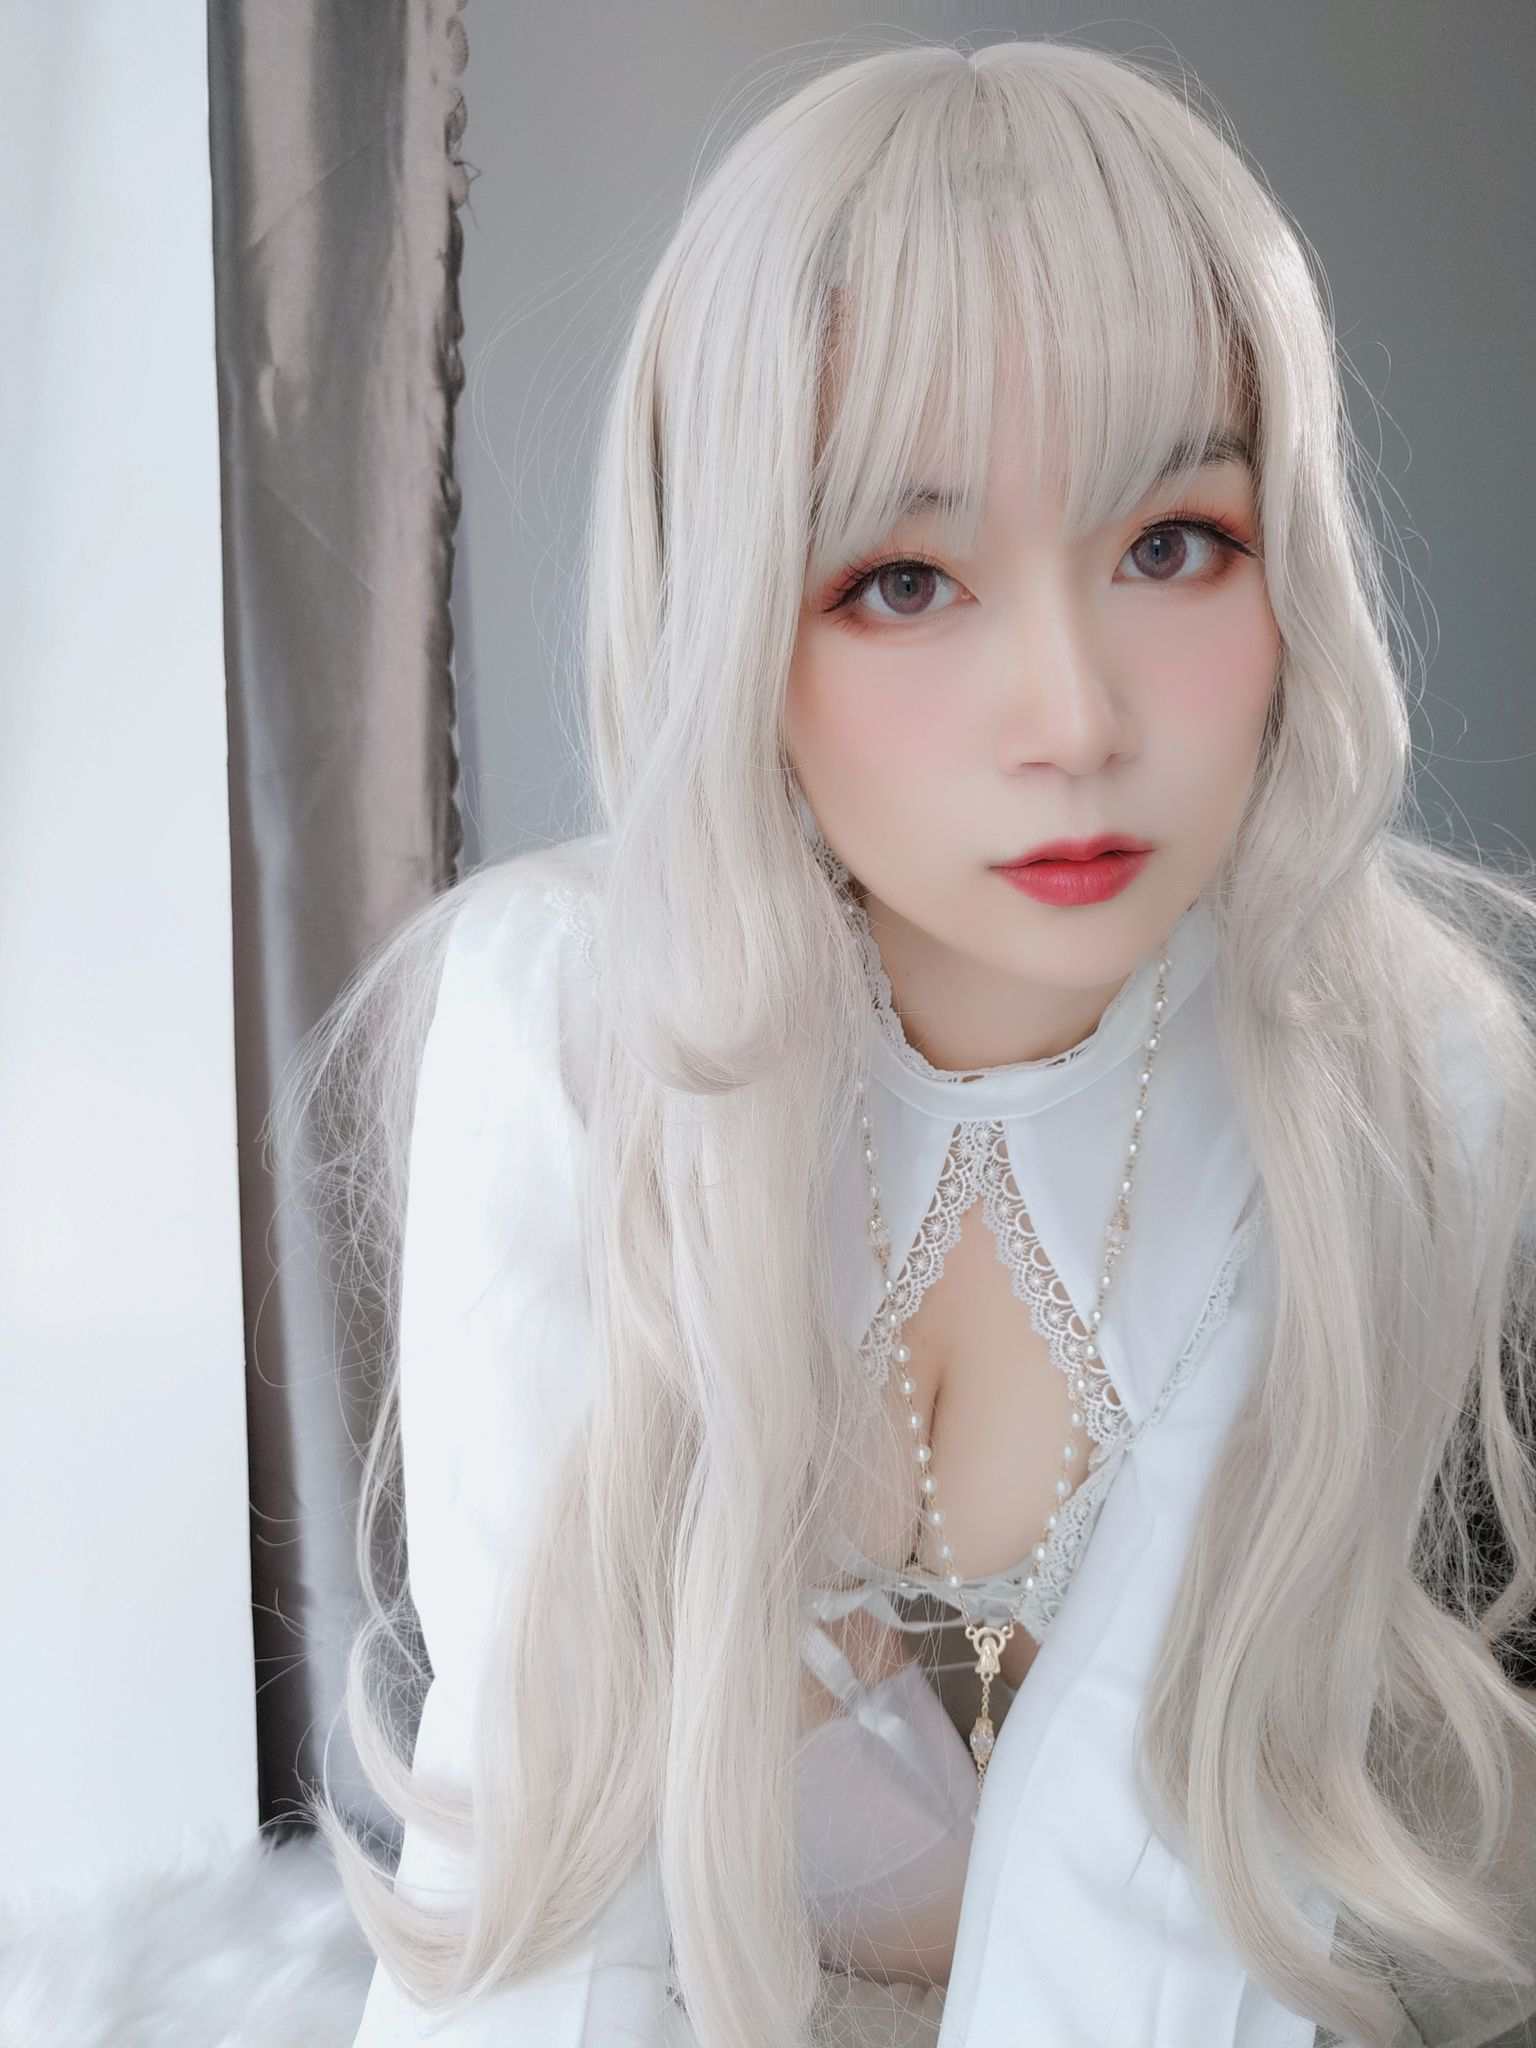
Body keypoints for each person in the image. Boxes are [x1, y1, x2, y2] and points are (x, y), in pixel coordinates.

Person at [276, 38, 1536, 2048]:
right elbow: (545, 1850)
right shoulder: (571, 1035)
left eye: (1173, 542)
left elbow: (1145, 1888)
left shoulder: (1379, 1083)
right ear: (732, 611)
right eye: (905, 579)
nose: (1077, 717)